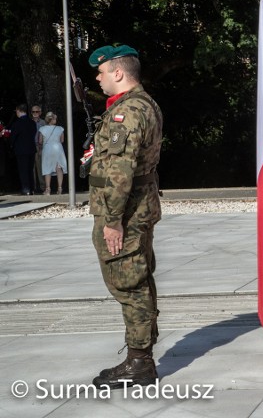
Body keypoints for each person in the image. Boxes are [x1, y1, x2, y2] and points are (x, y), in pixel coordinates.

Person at [86, 44, 163, 389]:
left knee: (129, 284)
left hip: (126, 213)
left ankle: (139, 361)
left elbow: (119, 171)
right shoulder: (142, 105)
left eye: (101, 72)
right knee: (139, 280)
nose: (98, 79)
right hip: (138, 208)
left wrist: (113, 221)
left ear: (118, 72)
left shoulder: (127, 113)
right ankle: (141, 356)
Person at [9, 104, 37, 195]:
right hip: (31, 149)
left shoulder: (17, 123)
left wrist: (11, 145)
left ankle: (26, 188)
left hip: (21, 150)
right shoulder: (32, 122)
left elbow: (13, 137)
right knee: (30, 169)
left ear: (18, 110)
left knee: (23, 169)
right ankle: (32, 188)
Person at [38, 111, 68, 195]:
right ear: (52, 120)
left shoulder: (42, 129)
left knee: (47, 168)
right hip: (58, 148)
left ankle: (48, 189)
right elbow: (62, 140)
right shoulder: (60, 128)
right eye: (55, 118)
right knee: (59, 168)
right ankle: (60, 188)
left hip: (47, 148)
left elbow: (40, 141)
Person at [31, 105, 47, 193]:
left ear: (40, 112)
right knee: (31, 168)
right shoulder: (29, 122)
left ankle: (43, 187)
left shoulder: (43, 123)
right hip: (30, 146)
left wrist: (42, 148)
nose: (35, 113)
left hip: (39, 147)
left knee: (40, 168)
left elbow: (45, 136)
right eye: (33, 112)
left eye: (37, 112)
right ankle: (33, 187)